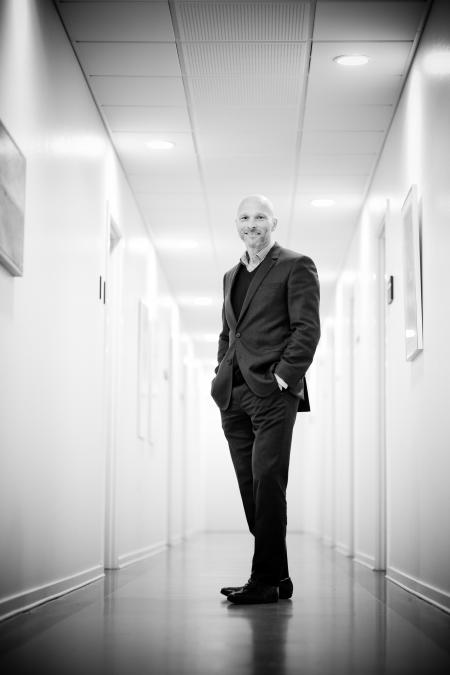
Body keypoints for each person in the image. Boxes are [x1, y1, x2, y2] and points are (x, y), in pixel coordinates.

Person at [211, 194, 321, 604]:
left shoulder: (296, 265)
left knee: (268, 482)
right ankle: (280, 576)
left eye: (259, 217)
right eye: (243, 217)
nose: (251, 224)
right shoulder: (229, 275)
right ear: (236, 224)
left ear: (274, 222)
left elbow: (307, 328)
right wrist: (219, 371)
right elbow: (228, 333)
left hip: (274, 394)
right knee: (250, 487)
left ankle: (262, 580)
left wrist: (283, 377)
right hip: (233, 395)